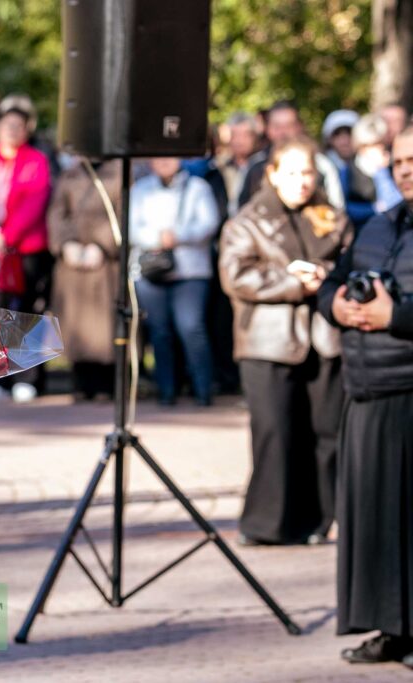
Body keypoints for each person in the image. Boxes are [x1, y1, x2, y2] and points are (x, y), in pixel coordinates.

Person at [219, 137, 351, 546]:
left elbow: (351, 262)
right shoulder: (247, 220)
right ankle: (267, 523)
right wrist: (292, 281)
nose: (301, 182)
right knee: (275, 432)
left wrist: (323, 274)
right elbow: (236, 276)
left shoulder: (333, 217)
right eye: (292, 173)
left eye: (308, 172)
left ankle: (320, 519)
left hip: (323, 339)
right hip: (268, 340)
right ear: (273, 174)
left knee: (326, 433)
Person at [318, 125, 413, 667]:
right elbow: (334, 282)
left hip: (409, 389)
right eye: (399, 161)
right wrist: (336, 306)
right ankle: (390, 629)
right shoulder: (376, 226)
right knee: (372, 522)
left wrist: (393, 316)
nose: (405, 169)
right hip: (365, 389)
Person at [0, 106, 52, 402]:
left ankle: (28, 376)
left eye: (19, 125)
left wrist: (7, 236)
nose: (12, 130)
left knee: (26, 311)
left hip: (24, 248)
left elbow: (34, 202)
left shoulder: (36, 161)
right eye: (7, 124)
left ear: (27, 130)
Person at [130, 157, 219, 405]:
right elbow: (132, 227)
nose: (163, 162)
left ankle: (202, 387)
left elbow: (209, 223)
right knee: (160, 332)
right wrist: (157, 238)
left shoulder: (198, 187)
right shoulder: (141, 189)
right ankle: (167, 390)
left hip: (190, 271)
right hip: (151, 270)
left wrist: (178, 236)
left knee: (191, 327)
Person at [48, 158, 122, 400]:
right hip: (73, 259)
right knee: (76, 324)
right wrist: (66, 243)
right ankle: (80, 381)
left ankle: (105, 384)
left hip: (104, 261)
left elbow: (122, 213)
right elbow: (57, 213)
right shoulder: (69, 174)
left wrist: (102, 245)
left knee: (103, 325)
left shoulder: (120, 173)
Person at [238, 101, 345, 210]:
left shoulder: (322, 164)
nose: (283, 132)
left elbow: (337, 208)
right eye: (277, 126)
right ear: (268, 129)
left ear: (299, 127)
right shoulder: (255, 165)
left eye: (289, 125)